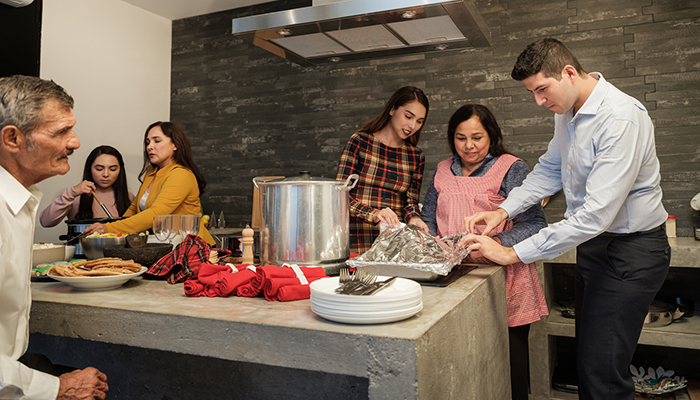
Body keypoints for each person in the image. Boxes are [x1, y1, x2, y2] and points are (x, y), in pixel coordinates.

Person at [462, 38, 670, 400]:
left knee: (603, 373)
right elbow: (550, 170)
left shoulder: (620, 118)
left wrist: (512, 253)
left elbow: (595, 215)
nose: (539, 102)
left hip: (631, 252)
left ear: (569, 72)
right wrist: (502, 211)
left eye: (542, 89)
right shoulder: (567, 112)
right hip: (596, 249)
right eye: (532, 92)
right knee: (589, 362)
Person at [421, 104, 548, 400]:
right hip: (454, 280)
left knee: (509, 363)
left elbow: (534, 224)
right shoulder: (442, 169)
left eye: (477, 137)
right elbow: (428, 218)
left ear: (491, 135)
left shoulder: (511, 167)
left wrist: (496, 244)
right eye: (460, 137)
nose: (468, 146)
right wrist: (420, 230)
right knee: (466, 365)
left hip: (505, 278)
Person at [0, 75, 109, 399]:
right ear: (12, 139)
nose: (75, 142)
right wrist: (56, 389)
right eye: (60, 131)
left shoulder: (20, 201)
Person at [83, 121, 215, 245]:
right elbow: (134, 209)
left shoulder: (181, 174)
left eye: (157, 141)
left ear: (175, 145)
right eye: (147, 142)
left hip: (192, 248)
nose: (149, 147)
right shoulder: (151, 172)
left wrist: (108, 228)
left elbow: (156, 214)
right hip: (166, 245)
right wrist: (115, 233)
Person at [336, 86, 430, 253]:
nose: (412, 125)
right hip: (355, 241)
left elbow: (410, 203)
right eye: (408, 116)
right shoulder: (360, 142)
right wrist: (374, 214)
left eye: (419, 121)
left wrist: (414, 218)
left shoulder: (415, 156)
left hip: (392, 246)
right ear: (392, 109)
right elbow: (340, 195)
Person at [39, 145, 135, 226]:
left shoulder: (128, 197)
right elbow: (46, 222)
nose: (106, 174)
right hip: (83, 248)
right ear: (90, 169)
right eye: (99, 169)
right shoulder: (75, 197)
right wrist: (71, 192)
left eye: (113, 169)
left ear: (120, 171)